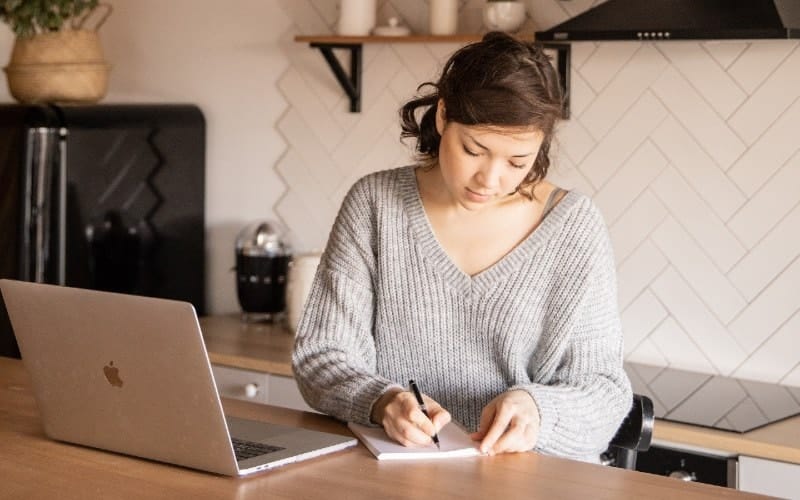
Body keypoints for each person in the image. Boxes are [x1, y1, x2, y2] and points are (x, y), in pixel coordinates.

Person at [292, 31, 632, 463]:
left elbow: (605, 389)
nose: (489, 179)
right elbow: (321, 357)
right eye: (474, 150)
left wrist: (538, 409)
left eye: (517, 161)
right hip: (395, 480)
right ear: (442, 116)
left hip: (526, 482)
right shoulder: (375, 205)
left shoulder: (573, 227)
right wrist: (382, 400)